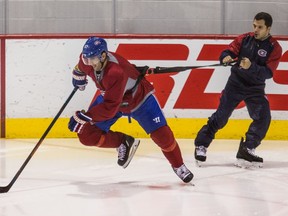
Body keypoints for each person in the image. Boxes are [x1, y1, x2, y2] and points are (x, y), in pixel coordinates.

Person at [68, 36, 193, 183]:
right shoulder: (87, 61)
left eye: (93, 60)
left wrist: (86, 116)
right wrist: (78, 74)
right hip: (112, 98)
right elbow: (81, 67)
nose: (90, 64)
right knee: (87, 135)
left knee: (163, 136)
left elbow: (109, 108)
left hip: (139, 100)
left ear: (103, 56)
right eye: (86, 59)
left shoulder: (115, 72)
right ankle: (123, 142)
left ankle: (179, 165)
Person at [194, 12, 282, 168]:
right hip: (235, 84)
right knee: (221, 117)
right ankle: (201, 145)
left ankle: (247, 148)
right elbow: (228, 51)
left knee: (263, 118)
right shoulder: (244, 39)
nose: (256, 29)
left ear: (268, 28)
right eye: (254, 26)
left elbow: (268, 73)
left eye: (260, 27)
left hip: (255, 88)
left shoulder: (274, 47)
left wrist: (251, 66)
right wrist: (225, 57)